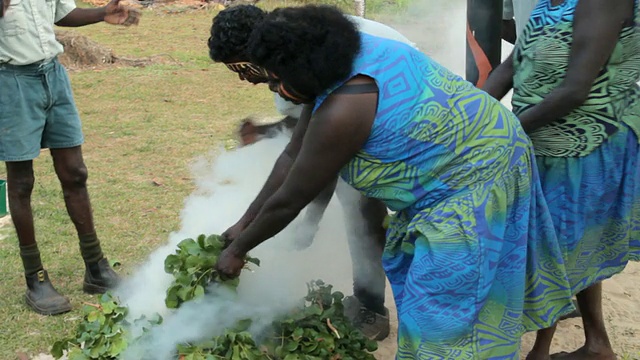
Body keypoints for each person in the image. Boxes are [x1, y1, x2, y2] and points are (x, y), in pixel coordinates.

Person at [213, 5, 575, 358]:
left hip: (477, 176)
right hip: (464, 166)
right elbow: (292, 155)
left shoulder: (345, 105)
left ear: (301, 67)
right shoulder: (334, 64)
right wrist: (244, 223)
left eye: (277, 78)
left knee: (441, 314)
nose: (274, 87)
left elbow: (292, 197)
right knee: (435, 301)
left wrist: (238, 251)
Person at [207, 5, 418, 341]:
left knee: (362, 206)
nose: (243, 78)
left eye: (243, 68)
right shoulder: (299, 56)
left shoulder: (317, 60)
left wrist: (300, 224)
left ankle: (372, 306)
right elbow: (298, 145)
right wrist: (245, 222)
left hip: (405, 114)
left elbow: (319, 159)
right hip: (380, 106)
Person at [483, 0, 640, 359]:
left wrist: (504, 133)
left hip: (589, 141)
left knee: (553, 245)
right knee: (568, 240)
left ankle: (540, 351)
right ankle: (597, 344)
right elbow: (511, 65)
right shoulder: (548, 3)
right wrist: (476, 114)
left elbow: (575, 89)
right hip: (548, 139)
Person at [0, 0, 140, 315]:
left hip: (53, 74)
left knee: (75, 172)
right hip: (10, 80)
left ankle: (96, 268)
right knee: (22, 182)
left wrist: (102, 14)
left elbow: (62, 12)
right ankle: (35, 278)